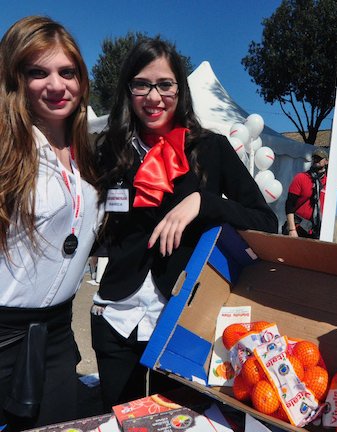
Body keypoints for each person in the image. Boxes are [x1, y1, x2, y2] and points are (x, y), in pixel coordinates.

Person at [91, 37, 278, 411]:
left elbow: (266, 221)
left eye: (165, 84)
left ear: (180, 89)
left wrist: (203, 202)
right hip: (116, 318)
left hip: (182, 318)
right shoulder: (111, 150)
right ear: (128, 89)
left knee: (176, 423)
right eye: (142, 84)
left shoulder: (211, 148)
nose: (154, 96)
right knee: (120, 420)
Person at [0, 16, 102, 431]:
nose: (57, 86)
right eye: (38, 73)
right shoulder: (7, 149)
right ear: (16, 79)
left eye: (67, 72)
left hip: (58, 334)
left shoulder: (86, 155)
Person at [283, 147, 328, 239]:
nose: (316, 160)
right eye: (314, 158)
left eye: (319, 158)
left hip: (317, 231)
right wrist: (292, 229)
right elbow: (289, 204)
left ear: (326, 161)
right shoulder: (301, 177)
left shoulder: (329, 183)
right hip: (298, 227)